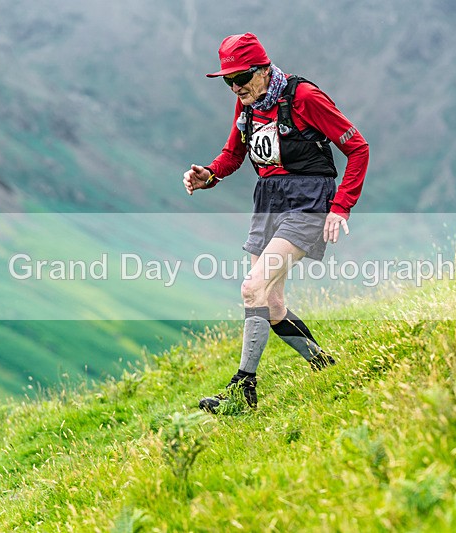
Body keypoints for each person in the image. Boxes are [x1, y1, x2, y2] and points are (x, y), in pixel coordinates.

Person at [183, 33, 369, 413]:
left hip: (308, 201)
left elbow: (358, 148)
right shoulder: (246, 104)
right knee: (271, 303)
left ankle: (242, 391)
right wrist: (210, 175)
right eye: (227, 80)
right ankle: (325, 365)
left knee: (252, 287)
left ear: (264, 70)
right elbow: (233, 154)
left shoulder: (305, 98)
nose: (235, 87)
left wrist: (341, 206)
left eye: (242, 77)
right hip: (268, 200)